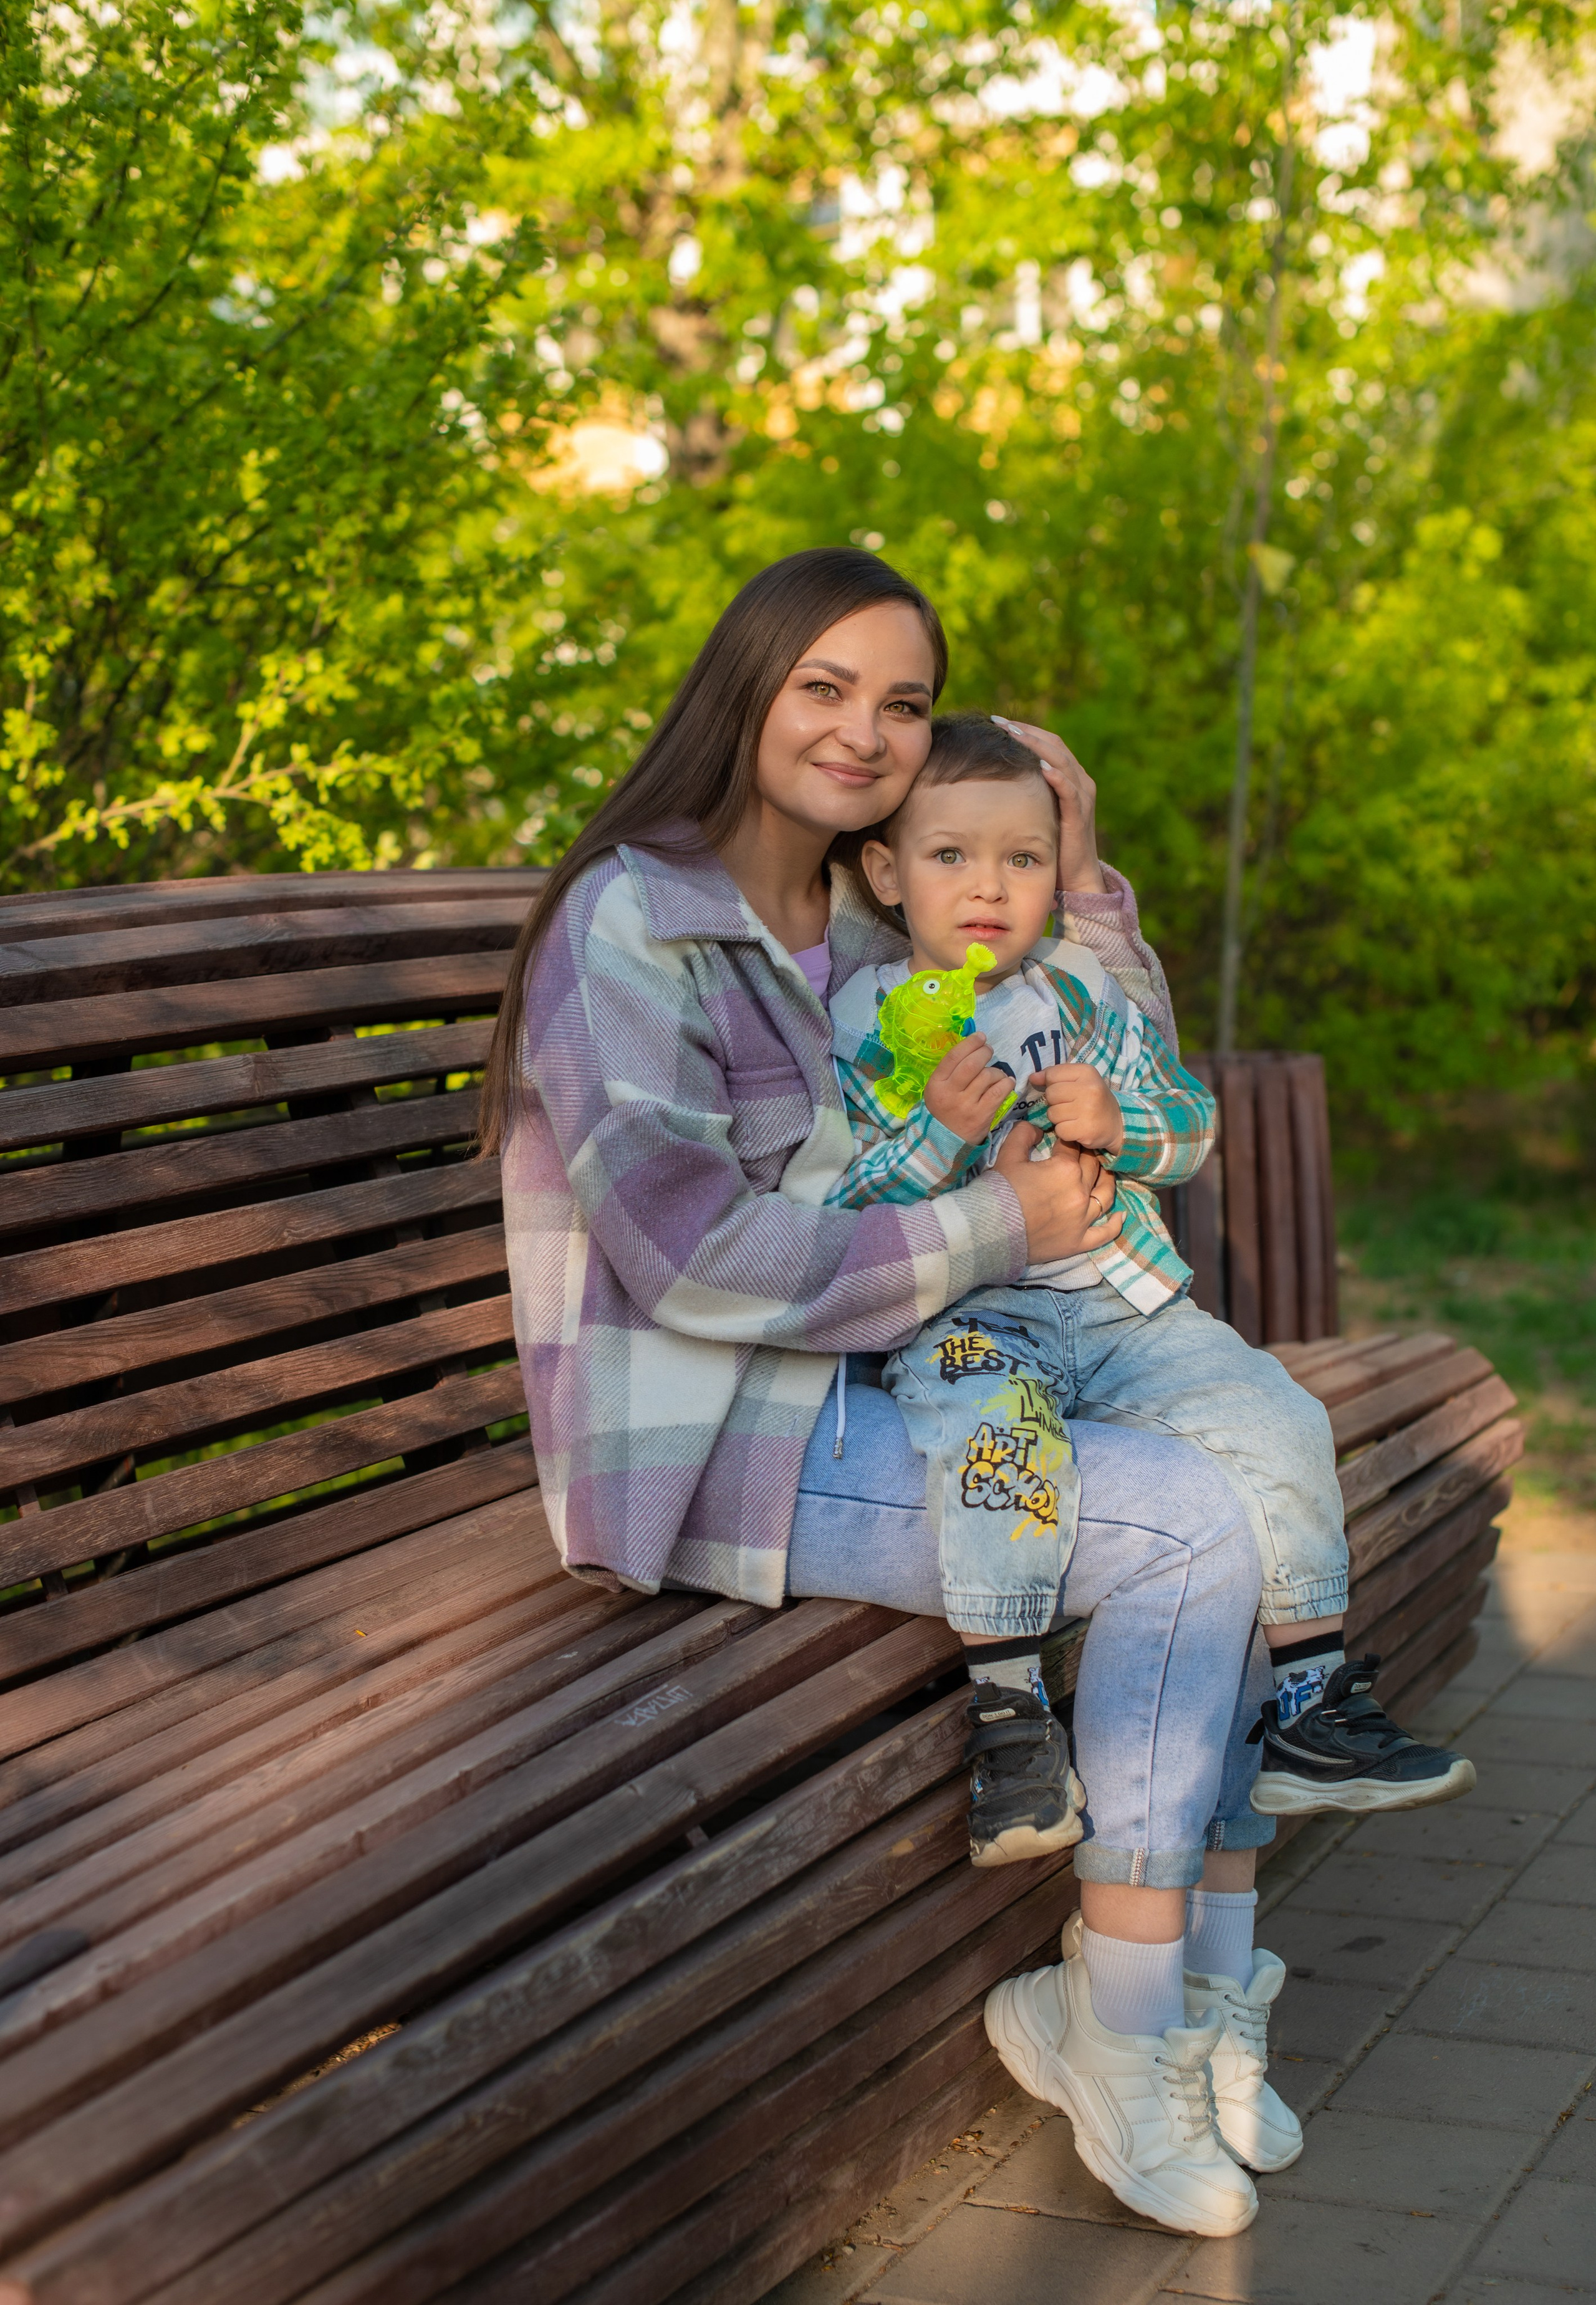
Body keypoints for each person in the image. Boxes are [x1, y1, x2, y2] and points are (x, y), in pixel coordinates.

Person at [483, 547, 1296, 2238]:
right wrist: (997, 1220)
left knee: (1245, 1479)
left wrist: (1082, 874)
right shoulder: (629, 919)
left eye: (905, 702)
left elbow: (1103, 1045)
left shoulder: (864, 915)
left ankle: (1175, 1997)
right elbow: (691, 1258)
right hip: (710, 1434)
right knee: (1180, 1534)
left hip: (912, 1384)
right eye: (826, 689)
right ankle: (1121, 2024)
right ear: (748, 691)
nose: (867, 730)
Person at [825, 711, 1475, 1867]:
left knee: (1279, 1413)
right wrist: (935, 1136)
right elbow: (843, 1216)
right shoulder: (867, 1026)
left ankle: (1311, 1704)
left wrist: (1126, 1123)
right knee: (1000, 1449)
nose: (989, 887)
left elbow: (1192, 1127)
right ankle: (1012, 1724)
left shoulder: (1081, 995)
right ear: (886, 872)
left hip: (1124, 1304)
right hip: (969, 1323)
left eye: (1022, 858)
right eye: (950, 856)